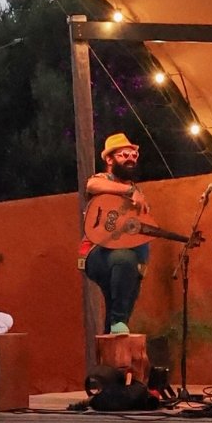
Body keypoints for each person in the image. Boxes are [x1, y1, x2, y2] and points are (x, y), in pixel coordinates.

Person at [81, 133, 151, 334]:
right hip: (99, 253)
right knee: (124, 259)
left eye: (134, 155)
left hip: (131, 261)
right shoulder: (105, 180)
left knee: (122, 308)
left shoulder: (137, 189)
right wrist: (129, 193)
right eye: (124, 155)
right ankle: (116, 326)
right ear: (109, 160)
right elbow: (92, 185)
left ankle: (113, 353)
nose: (131, 158)